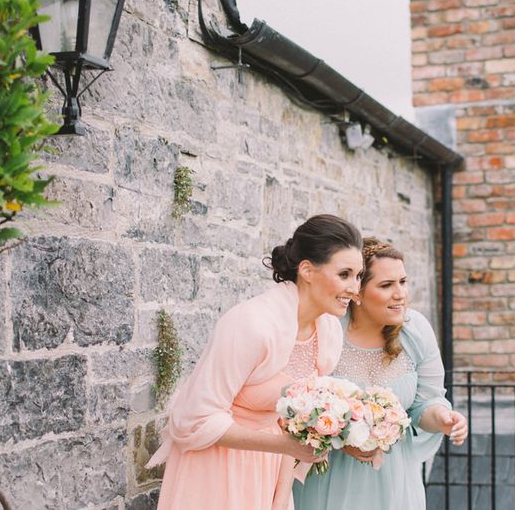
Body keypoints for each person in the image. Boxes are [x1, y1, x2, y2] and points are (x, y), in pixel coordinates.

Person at [148, 215, 364, 510]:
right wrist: (282, 446)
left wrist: (280, 495)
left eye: (359, 276)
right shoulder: (251, 324)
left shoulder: (328, 334)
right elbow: (193, 419)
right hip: (217, 470)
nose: (355, 287)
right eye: (345, 275)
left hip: (271, 470)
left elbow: (294, 425)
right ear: (307, 271)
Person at [293, 237, 468, 510]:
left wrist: (444, 418)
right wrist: (340, 439)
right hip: (329, 477)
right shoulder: (326, 331)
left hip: (395, 481)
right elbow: (297, 403)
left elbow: (426, 403)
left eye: (403, 281)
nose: (400, 294)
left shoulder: (416, 331)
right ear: (357, 293)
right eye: (386, 285)